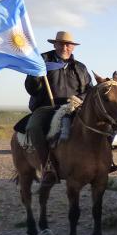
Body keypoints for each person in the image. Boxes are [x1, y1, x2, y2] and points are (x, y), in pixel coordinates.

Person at [21, 30, 109, 183]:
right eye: (61, 44)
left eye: (68, 44)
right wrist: (34, 76)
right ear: (55, 44)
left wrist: (78, 99)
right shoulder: (41, 61)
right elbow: (31, 89)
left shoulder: (81, 67)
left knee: (105, 125)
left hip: (75, 107)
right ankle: (47, 166)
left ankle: (105, 161)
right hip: (47, 107)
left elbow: (89, 90)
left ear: (73, 47)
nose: (65, 47)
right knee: (34, 127)